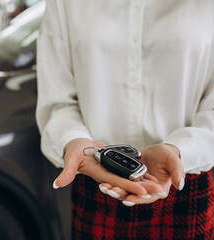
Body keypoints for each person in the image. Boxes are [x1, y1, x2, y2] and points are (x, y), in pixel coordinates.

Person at [36, 1, 214, 239]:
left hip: (185, 180)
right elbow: (58, 101)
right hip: (96, 179)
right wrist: (73, 140)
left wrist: (179, 149)